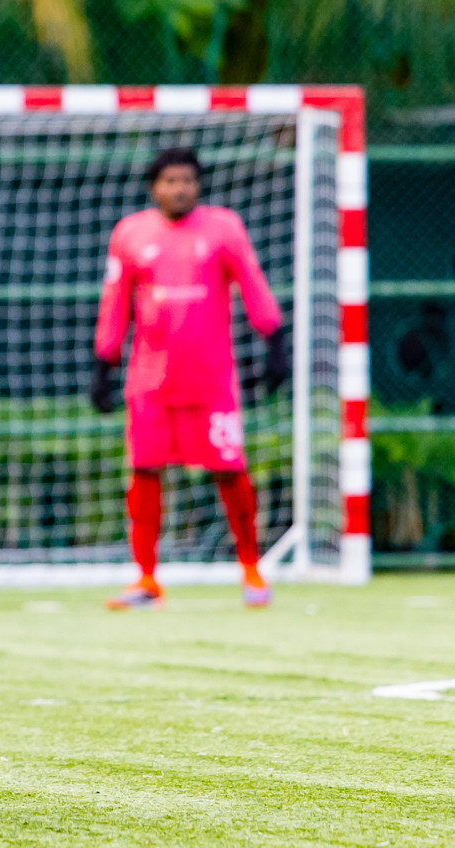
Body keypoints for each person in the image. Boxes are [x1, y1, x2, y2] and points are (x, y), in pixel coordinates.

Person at [92, 148, 289, 610]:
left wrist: (275, 340)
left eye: (187, 180)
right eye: (170, 181)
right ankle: (146, 580)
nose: (179, 188)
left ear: (198, 185)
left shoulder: (224, 228)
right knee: (144, 471)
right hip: (150, 382)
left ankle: (252, 570)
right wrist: (104, 362)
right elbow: (116, 301)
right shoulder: (130, 234)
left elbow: (252, 283)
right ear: (154, 187)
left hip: (211, 381)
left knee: (230, 470)